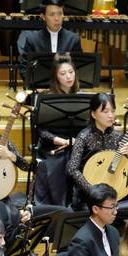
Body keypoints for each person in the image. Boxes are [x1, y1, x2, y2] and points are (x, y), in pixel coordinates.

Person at [33, 53, 81, 206]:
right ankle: (59, 206)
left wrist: (76, 141)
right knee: (60, 162)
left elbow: (87, 127)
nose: (68, 76)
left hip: (76, 143)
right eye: (63, 73)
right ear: (56, 77)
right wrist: (60, 141)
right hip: (52, 145)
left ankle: (79, 204)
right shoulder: (47, 98)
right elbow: (41, 130)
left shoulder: (82, 97)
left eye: (71, 72)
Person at [66, 93, 128, 208]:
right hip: (88, 194)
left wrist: (127, 156)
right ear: (94, 114)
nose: (111, 115)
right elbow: (72, 169)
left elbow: (123, 169)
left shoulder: (118, 136)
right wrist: (92, 191)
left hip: (114, 190)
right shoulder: (84, 136)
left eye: (113, 111)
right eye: (105, 112)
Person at [19, 0, 82, 78]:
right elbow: (24, 69)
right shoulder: (32, 39)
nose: (57, 18)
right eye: (52, 14)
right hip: (40, 87)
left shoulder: (73, 39)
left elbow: (78, 68)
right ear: (43, 16)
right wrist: (36, 86)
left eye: (60, 14)